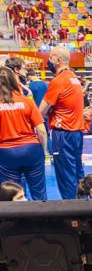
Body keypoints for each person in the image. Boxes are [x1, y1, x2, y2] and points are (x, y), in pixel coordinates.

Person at [39, 46, 84, 200]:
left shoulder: (58, 81)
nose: (48, 60)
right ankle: (81, 210)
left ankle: (71, 216)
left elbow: (40, 112)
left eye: (50, 57)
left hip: (63, 133)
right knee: (77, 173)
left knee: (65, 177)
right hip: (76, 132)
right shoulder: (74, 77)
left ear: (57, 60)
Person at [0, 66, 47, 201]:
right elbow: (42, 131)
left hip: (6, 153)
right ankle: (44, 219)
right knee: (40, 194)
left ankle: (16, 221)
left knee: (12, 194)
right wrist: (43, 152)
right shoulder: (27, 101)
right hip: (31, 150)